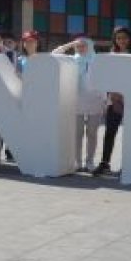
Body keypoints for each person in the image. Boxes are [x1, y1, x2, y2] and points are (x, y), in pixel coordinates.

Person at [52, 35, 107, 172]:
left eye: (83, 45)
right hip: (76, 101)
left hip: (96, 100)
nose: (80, 48)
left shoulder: (98, 60)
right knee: (78, 133)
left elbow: (106, 80)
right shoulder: (71, 60)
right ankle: (77, 161)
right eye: (78, 46)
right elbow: (54, 55)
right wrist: (70, 44)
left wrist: (106, 100)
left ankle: (90, 161)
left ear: (90, 46)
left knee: (92, 133)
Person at [95, 26, 131, 176]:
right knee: (110, 132)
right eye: (118, 38)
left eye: (124, 37)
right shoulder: (110, 56)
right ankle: (104, 164)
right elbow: (106, 78)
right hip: (114, 100)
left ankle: (129, 165)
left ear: (130, 39)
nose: (121, 40)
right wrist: (113, 96)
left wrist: (125, 95)